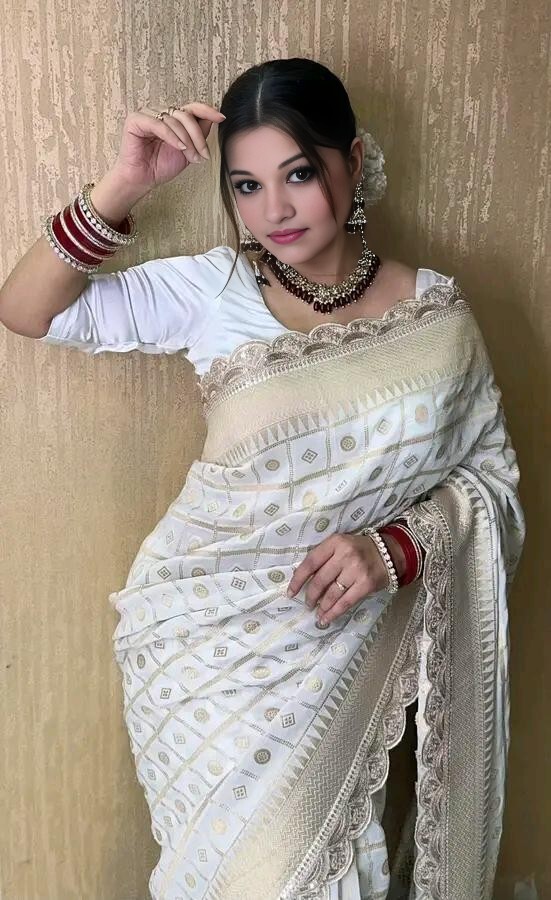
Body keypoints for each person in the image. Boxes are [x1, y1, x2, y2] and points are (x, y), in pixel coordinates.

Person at [0, 58, 525, 900]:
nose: (273, 209)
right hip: (204, 653)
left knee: (341, 875)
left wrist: (395, 547)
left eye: (299, 175)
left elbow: (490, 478)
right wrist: (126, 184)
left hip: (339, 644)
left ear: (353, 161)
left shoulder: (435, 312)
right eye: (246, 185)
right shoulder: (214, 288)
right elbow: (28, 310)